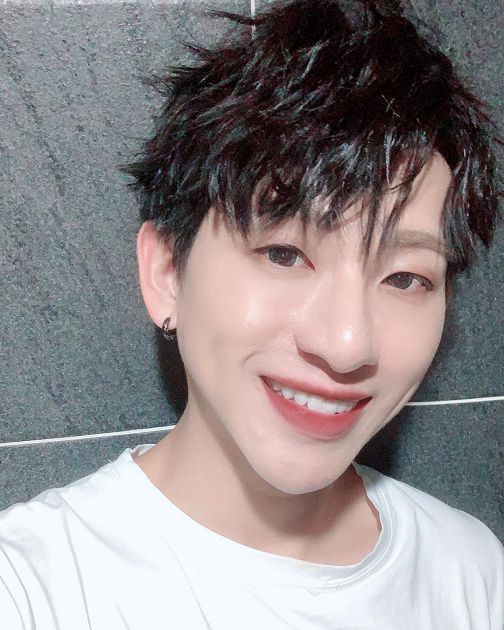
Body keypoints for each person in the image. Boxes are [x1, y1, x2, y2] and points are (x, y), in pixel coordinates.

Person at [0, 0, 502, 627]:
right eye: (284, 254)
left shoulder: (473, 573)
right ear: (168, 272)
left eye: (405, 278)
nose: (348, 343)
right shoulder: (32, 588)